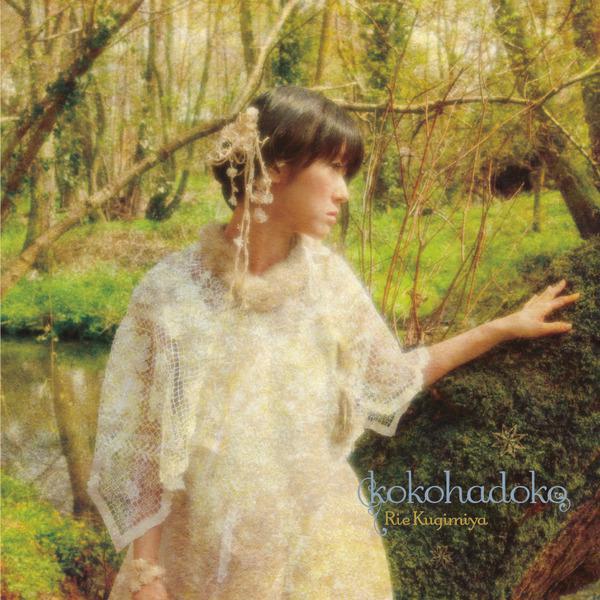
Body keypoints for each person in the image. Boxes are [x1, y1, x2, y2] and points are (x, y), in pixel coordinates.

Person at [87, 86, 580, 600]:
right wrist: (146, 576)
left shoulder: (330, 285)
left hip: (322, 560)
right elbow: (141, 448)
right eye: (336, 168)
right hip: (197, 564)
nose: (344, 193)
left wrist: (501, 328)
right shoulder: (170, 293)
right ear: (277, 167)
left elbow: (393, 377)